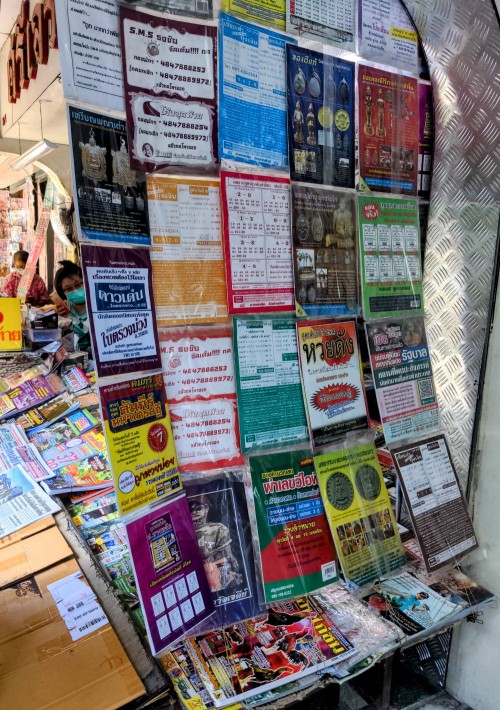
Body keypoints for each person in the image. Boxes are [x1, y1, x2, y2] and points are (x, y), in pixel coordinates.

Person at [188, 494, 242, 593]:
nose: (194, 512)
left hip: (219, 570)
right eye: (191, 510)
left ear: (207, 509)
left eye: (198, 508)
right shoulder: (186, 534)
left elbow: (227, 554)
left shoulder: (218, 528)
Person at [53, 260, 92, 357]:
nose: (75, 290)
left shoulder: (97, 306)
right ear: (63, 293)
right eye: (69, 289)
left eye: (78, 284)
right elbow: (64, 349)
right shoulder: (62, 311)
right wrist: (62, 323)